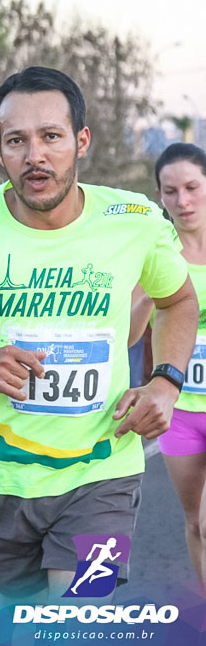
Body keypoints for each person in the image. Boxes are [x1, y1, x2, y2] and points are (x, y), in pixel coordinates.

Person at [0, 66, 198, 601]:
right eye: (17, 141)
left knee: (79, 618)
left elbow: (178, 299)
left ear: (81, 141)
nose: (35, 156)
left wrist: (165, 382)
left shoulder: (135, 220)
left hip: (103, 475)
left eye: (51, 136)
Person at [130, 142, 206, 595]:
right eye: (171, 191)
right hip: (180, 411)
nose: (184, 201)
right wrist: (146, 295)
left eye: (193, 187)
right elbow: (130, 335)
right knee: (195, 524)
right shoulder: (155, 253)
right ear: (159, 196)